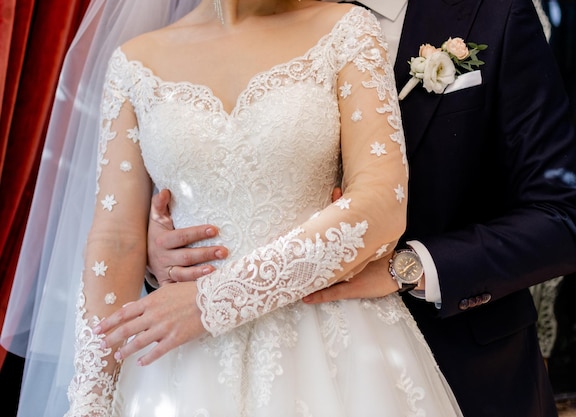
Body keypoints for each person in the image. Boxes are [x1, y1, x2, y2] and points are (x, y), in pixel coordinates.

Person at [5, 0, 465, 416]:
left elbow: (381, 204)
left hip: (331, 346)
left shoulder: (346, 30)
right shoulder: (134, 63)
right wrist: (92, 395)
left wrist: (213, 302)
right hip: (178, 364)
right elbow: (117, 238)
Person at [144, 0, 576, 416]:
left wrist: (410, 267)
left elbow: (559, 219)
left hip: (465, 370)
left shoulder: (495, 12)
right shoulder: (240, 17)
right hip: (261, 372)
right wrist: (161, 248)